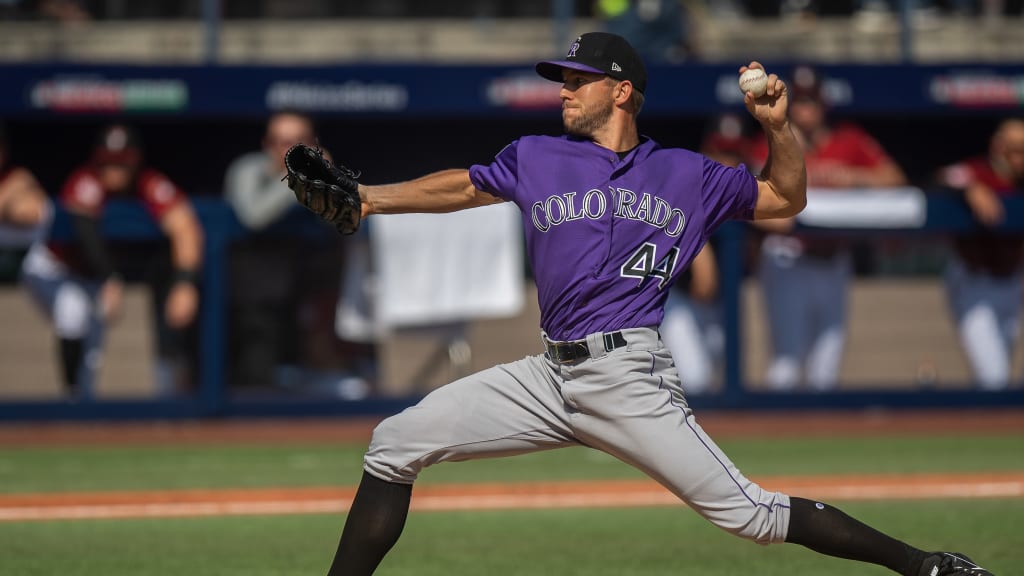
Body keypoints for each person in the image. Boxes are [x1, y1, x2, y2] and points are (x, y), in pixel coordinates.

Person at [303, 32, 993, 576]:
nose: (564, 91)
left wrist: (778, 130)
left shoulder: (686, 173)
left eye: (578, 80)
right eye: (562, 80)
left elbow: (785, 199)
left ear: (622, 91)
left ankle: (926, 566)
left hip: (629, 375)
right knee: (394, 444)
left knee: (749, 515)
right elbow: (464, 187)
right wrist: (369, 198)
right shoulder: (537, 155)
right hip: (548, 375)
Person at [749, 64, 908, 391]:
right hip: (788, 259)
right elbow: (750, 195)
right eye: (802, 102)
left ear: (824, 105)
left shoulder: (849, 140)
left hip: (834, 259)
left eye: (813, 102)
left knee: (827, 369)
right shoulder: (773, 139)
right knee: (787, 364)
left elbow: (896, 179)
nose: (807, 110)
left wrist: (855, 177)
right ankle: (779, 438)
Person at [21, 123, 204, 400]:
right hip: (54, 267)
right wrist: (111, 277)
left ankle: (80, 409)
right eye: (108, 162)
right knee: (74, 312)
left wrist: (185, 282)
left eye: (121, 163)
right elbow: (86, 233)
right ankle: (70, 401)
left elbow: (185, 225)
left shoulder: (148, 182)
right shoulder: (85, 179)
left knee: (92, 356)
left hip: (95, 277)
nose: (114, 170)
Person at [223, 111, 315, 389]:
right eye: (279, 141)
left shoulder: (321, 172)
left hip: (305, 295)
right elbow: (254, 215)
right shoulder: (247, 168)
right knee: (253, 384)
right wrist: (300, 178)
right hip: (246, 301)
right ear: (266, 143)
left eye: (296, 142)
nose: (287, 149)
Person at [659, 113, 751, 393]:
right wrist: (702, 249)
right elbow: (703, 281)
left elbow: (783, 217)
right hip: (678, 298)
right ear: (706, 150)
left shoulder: (748, 186)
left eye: (733, 152)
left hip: (723, 302)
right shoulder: (686, 180)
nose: (727, 161)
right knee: (695, 380)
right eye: (720, 151)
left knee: (723, 383)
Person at [938, 117, 1024, 390]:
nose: (1020, 158)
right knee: (993, 378)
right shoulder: (978, 171)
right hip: (975, 282)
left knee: (1000, 371)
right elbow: (943, 176)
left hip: (1012, 284)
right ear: (998, 148)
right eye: (1015, 150)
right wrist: (971, 188)